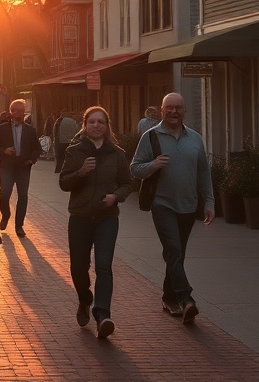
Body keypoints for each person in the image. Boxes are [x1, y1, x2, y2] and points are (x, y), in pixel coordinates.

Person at [130, 92, 215, 325]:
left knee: (176, 254)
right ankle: (187, 298)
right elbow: (134, 169)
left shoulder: (195, 138)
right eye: (169, 108)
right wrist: (153, 165)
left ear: (184, 111)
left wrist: (209, 202)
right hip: (162, 204)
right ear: (162, 109)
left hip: (188, 205)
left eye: (178, 107)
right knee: (174, 250)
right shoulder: (151, 136)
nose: (174, 112)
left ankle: (169, 297)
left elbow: (203, 173)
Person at [59, 106, 133, 340]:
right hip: (79, 217)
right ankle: (85, 299)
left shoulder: (117, 153)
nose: (96, 126)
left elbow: (128, 183)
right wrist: (80, 172)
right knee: (78, 268)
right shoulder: (74, 151)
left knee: (103, 266)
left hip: (106, 218)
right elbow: (63, 183)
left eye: (101, 122)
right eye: (92, 122)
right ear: (85, 124)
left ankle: (103, 315)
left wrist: (116, 197)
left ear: (107, 126)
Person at [0, 98, 41, 237]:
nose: (18, 113)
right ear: (10, 112)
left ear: (24, 112)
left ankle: (19, 226)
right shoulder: (2, 128)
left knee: (23, 196)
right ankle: (5, 215)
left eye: (21, 111)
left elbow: (37, 149)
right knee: (4, 194)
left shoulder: (30, 130)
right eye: (15, 111)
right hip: (7, 167)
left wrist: (31, 160)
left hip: (23, 168)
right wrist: (4, 151)